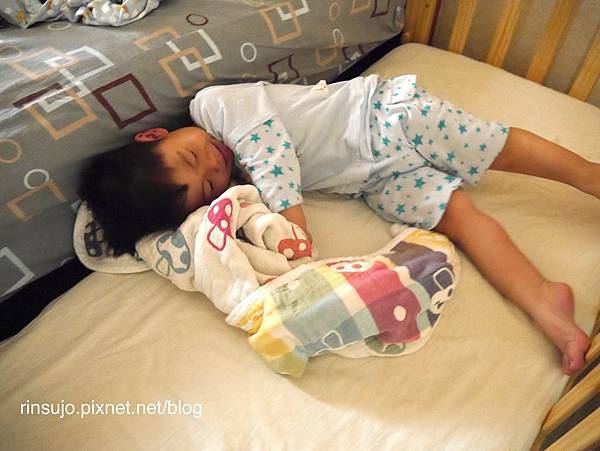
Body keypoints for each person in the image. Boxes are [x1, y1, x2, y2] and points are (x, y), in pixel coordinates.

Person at [79, 74, 597, 375]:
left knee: (496, 147)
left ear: (154, 136)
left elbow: (271, 150)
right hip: (373, 179)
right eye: (209, 184)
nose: (215, 165)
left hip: (385, 116)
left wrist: (295, 227)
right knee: (460, 220)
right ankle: (541, 298)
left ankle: (587, 174)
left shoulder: (214, 107)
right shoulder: (232, 181)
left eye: (193, 157)